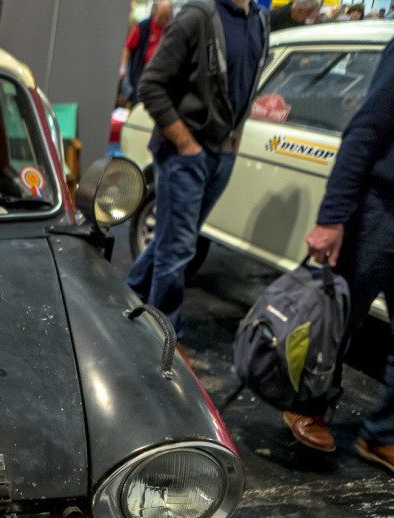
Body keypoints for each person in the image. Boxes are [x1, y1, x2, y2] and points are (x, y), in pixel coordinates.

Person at [282, 28, 394, 478]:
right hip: (381, 212)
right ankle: (304, 406)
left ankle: (384, 434)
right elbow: (366, 128)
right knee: (336, 320)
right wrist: (333, 216)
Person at [126, 0, 269, 358]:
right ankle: (163, 337)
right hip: (185, 154)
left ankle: (127, 295)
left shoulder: (259, 21)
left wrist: (234, 139)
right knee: (178, 250)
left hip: (220, 156)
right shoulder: (197, 17)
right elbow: (151, 86)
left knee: (174, 240)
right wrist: (185, 142)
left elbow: (245, 85)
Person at [122, 2, 172, 105]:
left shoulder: (171, 30)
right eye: (161, 16)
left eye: (166, 17)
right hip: (142, 75)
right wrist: (123, 67)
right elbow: (127, 47)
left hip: (161, 77)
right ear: (155, 12)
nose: (163, 20)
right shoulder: (143, 27)